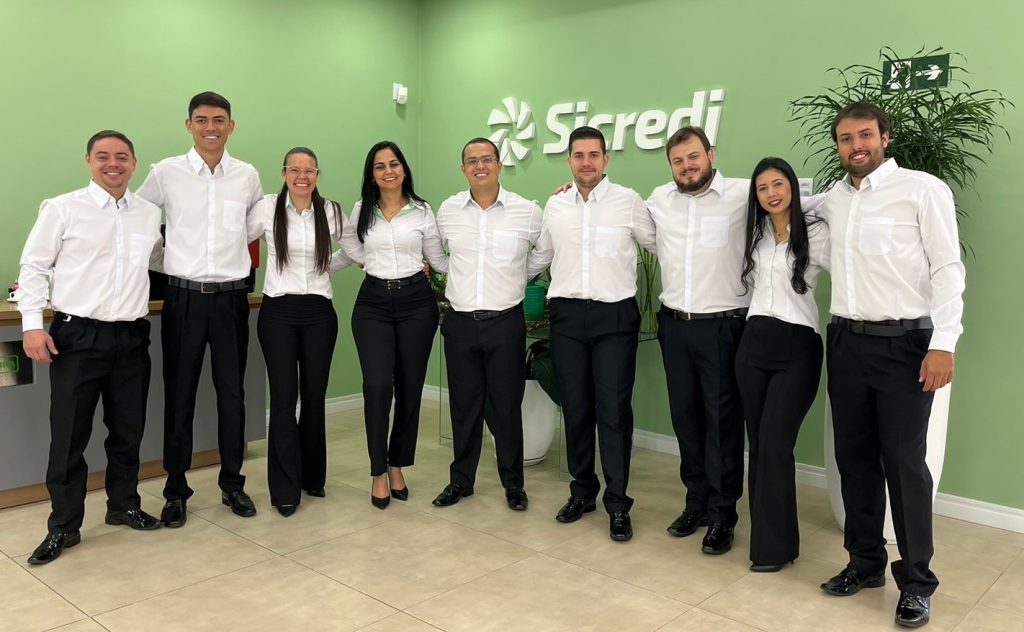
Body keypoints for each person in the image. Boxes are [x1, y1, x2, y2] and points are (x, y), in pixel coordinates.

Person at [818, 101, 965, 629]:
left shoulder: (922, 189)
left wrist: (944, 343)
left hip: (906, 345)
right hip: (846, 342)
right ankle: (864, 563)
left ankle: (917, 583)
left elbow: (948, 268)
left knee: (904, 464)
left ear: (884, 136)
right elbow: (780, 201)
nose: (855, 146)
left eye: (864, 135)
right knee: (854, 458)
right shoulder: (833, 198)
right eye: (845, 138)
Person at [19, 130, 164, 564]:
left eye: (121, 156)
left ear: (134, 163)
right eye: (103, 156)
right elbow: (34, 267)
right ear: (88, 161)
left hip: (131, 335)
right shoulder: (62, 208)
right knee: (69, 436)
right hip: (77, 337)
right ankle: (64, 526)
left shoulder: (148, 213)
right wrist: (31, 326)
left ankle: (123, 505)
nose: (112, 164)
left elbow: (158, 260)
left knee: (128, 430)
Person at [137, 91, 263, 527]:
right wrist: (166, 263)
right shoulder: (165, 173)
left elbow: (253, 229)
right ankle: (176, 491)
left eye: (219, 119)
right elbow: (137, 221)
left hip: (231, 299)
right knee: (180, 395)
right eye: (203, 119)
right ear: (189, 125)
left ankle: (233, 483)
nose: (211, 127)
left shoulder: (247, 176)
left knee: (232, 394)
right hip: (183, 299)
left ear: (231, 126)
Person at [529, 126, 657, 541]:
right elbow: (542, 255)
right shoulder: (555, 205)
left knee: (614, 412)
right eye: (579, 155)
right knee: (576, 408)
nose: (586, 162)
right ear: (569, 160)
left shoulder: (628, 201)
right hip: (566, 316)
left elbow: (661, 243)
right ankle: (582, 491)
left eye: (594, 155)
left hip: (614, 317)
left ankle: (617, 504)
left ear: (605, 159)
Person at [644, 126, 750, 555]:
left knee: (722, 423)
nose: (686, 166)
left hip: (723, 327)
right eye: (678, 161)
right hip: (675, 327)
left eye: (693, 157)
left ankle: (723, 514)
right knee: (686, 419)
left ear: (710, 154)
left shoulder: (743, 195)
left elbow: (795, 203)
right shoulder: (659, 200)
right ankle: (696, 502)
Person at [432, 137, 542, 511]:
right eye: (472, 160)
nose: (480, 166)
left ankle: (514, 484)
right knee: (463, 407)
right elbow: (435, 253)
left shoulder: (526, 211)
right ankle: (461, 481)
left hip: (505, 323)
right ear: (463, 168)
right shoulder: (448, 211)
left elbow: (545, 249)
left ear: (499, 165)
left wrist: (517, 275)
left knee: (506, 407)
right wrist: (455, 274)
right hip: (461, 322)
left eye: (487, 159)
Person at [735, 157, 829, 572]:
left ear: (792, 186)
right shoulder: (754, 235)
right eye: (762, 188)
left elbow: (836, 204)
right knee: (759, 445)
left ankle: (774, 549)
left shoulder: (817, 234)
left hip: (798, 345)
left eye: (778, 184)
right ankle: (770, 544)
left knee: (776, 444)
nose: (771, 193)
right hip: (753, 342)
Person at [340, 141, 446, 509]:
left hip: (417, 302)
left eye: (394, 164)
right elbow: (349, 247)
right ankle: (377, 471)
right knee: (377, 386)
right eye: (380, 166)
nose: (388, 171)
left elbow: (438, 260)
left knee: (410, 388)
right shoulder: (361, 210)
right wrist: (362, 262)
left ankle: (397, 464)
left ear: (403, 169)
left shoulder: (422, 210)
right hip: (372, 304)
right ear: (372, 175)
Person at [247, 147, 349, 517]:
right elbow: (235, 240)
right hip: (278, 312)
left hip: (319, 313)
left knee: (315, 396)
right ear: (284, 173)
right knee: (284, 397)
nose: (302, 176)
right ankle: (284, 488)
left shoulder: (331, 211)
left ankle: (312, 477)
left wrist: (326, 266)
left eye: (309, 171)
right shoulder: (266, 207)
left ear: (317, 175)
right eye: (295, 170)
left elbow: (355, 249)